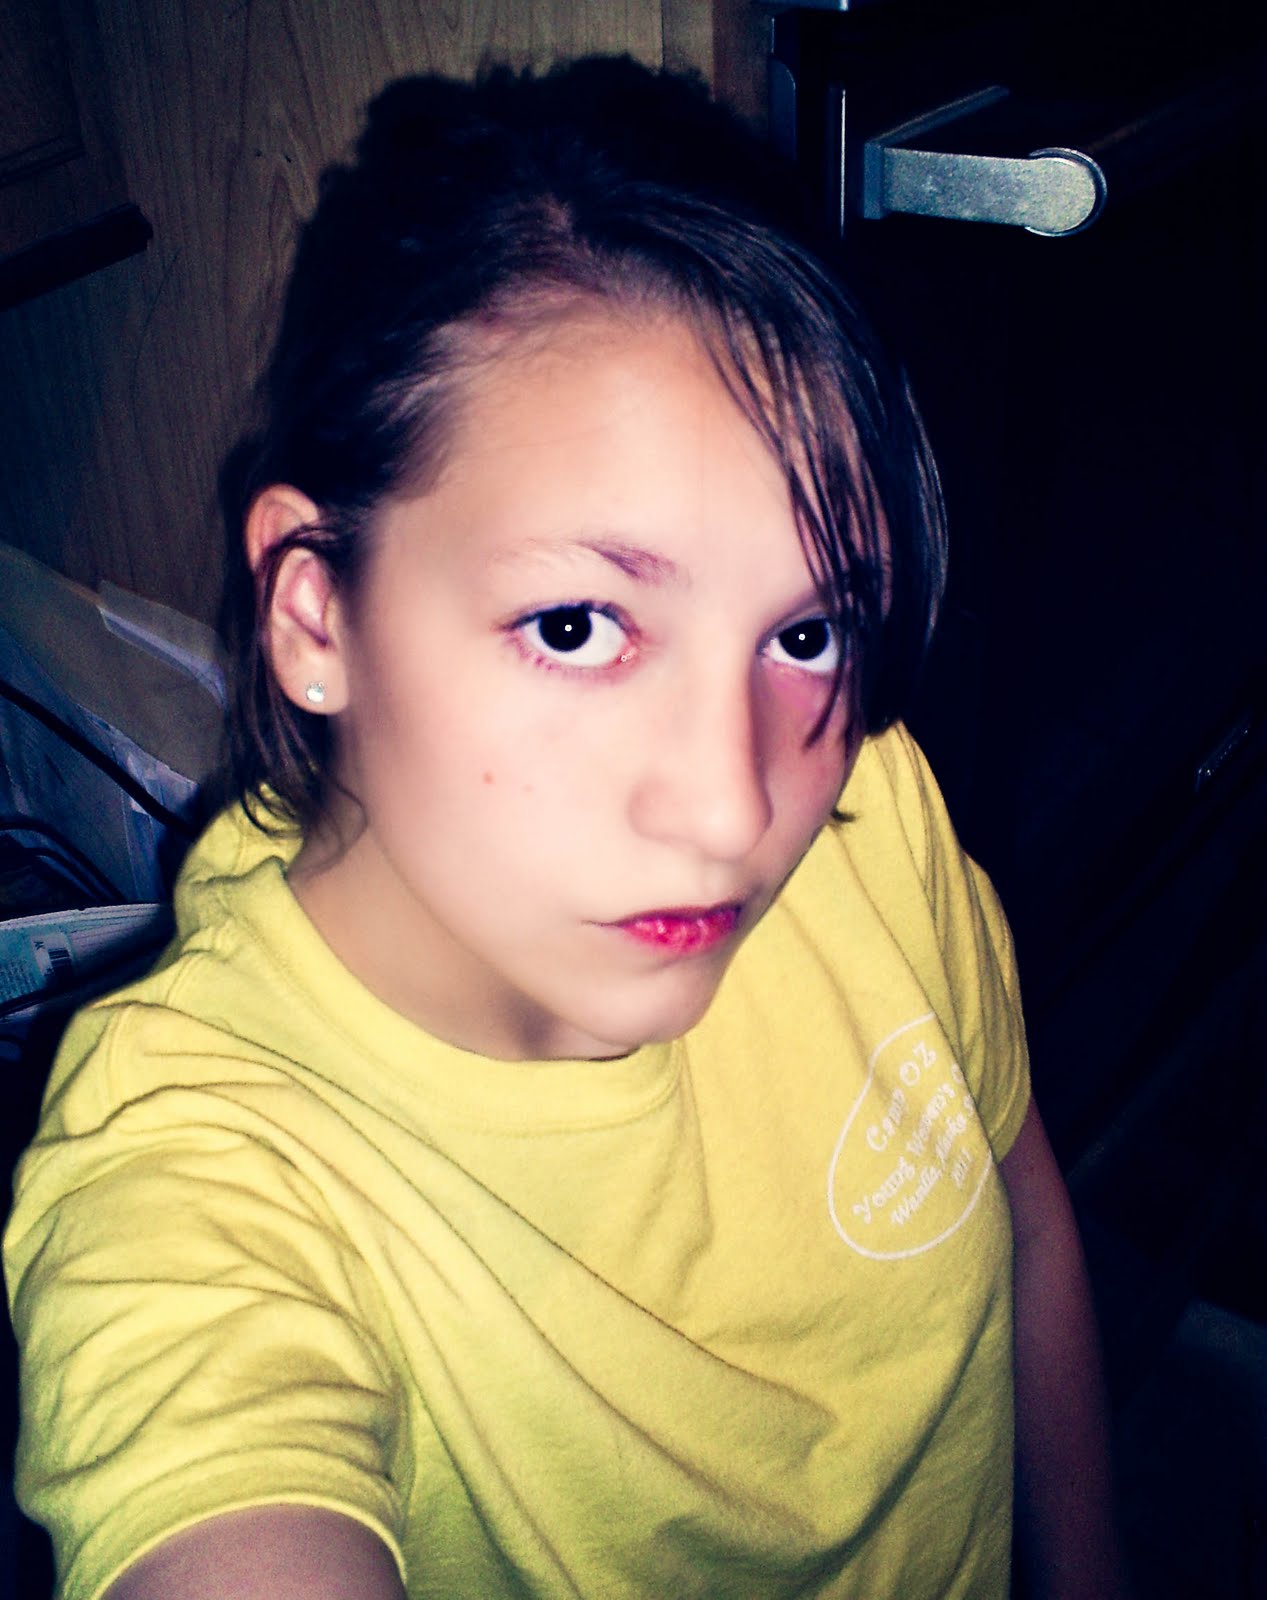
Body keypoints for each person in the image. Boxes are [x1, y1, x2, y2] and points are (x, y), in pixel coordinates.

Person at [3, 57, 1126, 1600]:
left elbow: (1024, 1215)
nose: (734, 809)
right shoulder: (204, 1173)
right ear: (315, 613)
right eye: (579, 625)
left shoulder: (871, 808)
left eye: (806, 635)